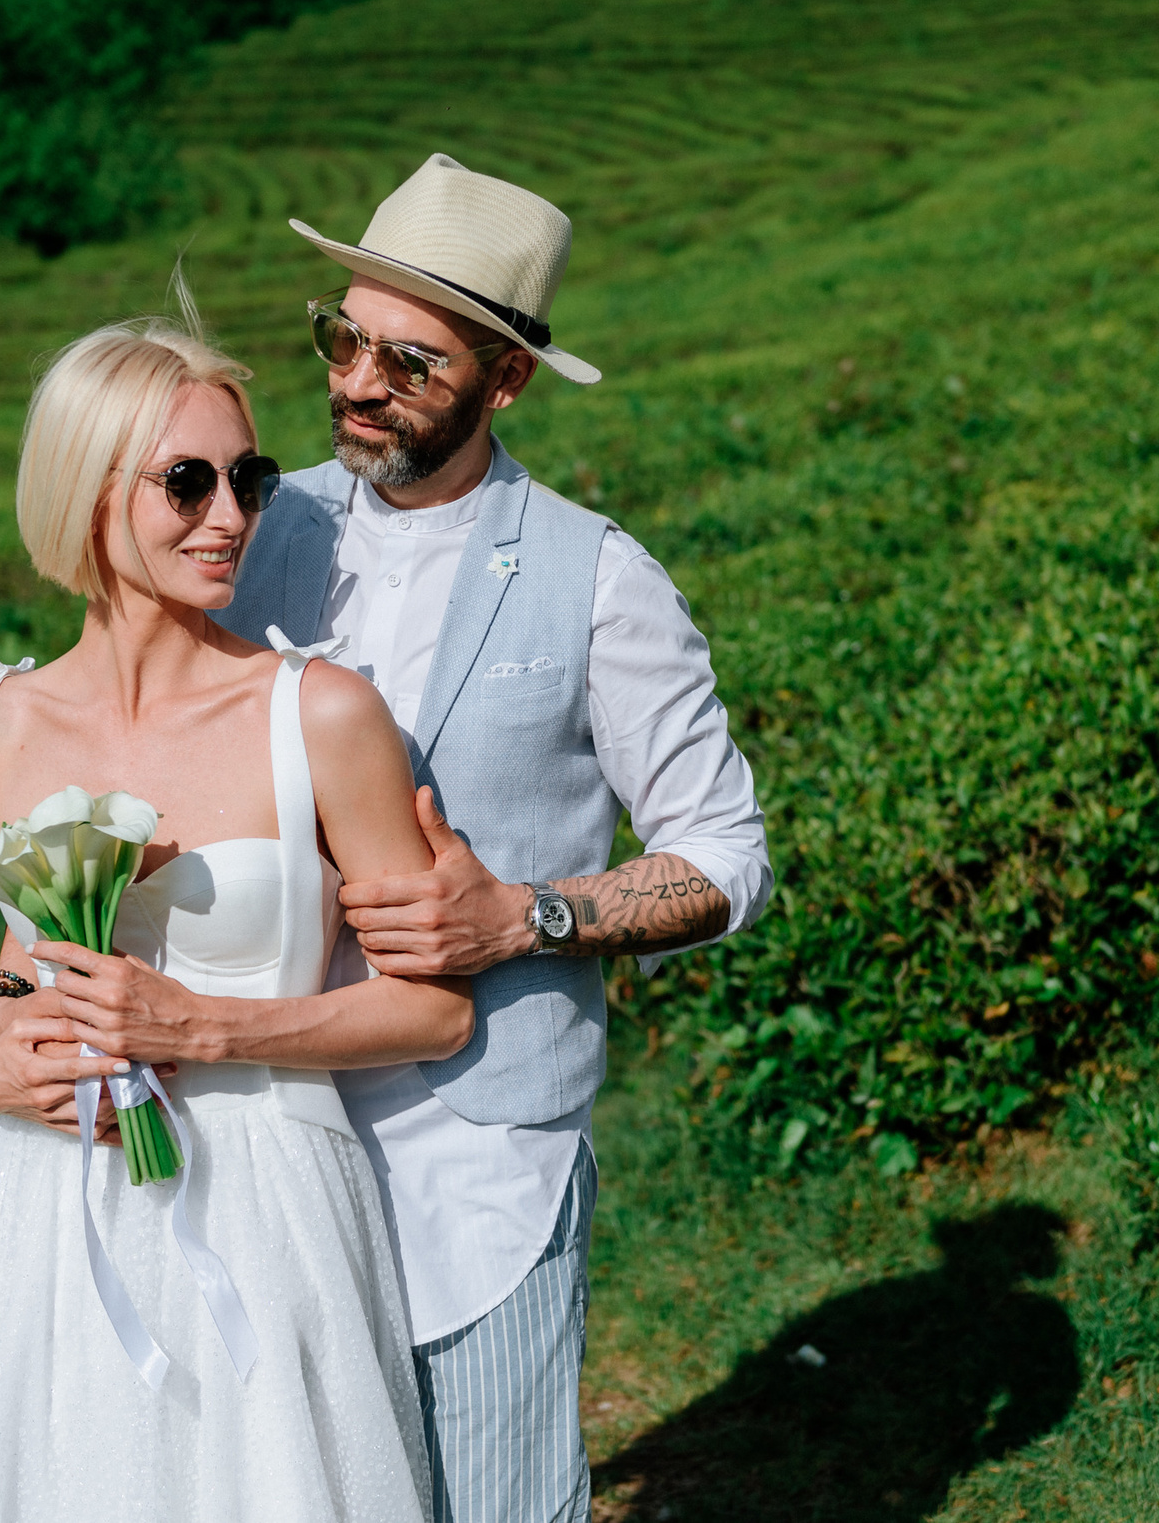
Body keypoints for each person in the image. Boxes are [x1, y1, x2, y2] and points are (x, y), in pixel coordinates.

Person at [216, 152, 774, 1522]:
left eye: (409, 362)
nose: (358, 383)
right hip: (264, 1121)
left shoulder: (602, 578)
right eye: (341, 339)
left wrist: (527, 916)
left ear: (506, 379)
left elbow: (726, 856)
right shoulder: (254, 525)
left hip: (481, 1144)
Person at [0, 308, 472, 1522]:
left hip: (269, 1207)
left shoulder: (322, 715)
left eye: (249, 478)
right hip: (45, 1205)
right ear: (86, 491)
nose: (231, 515)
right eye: (188, 481)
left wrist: (206, 1026)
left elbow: (435, 1009)